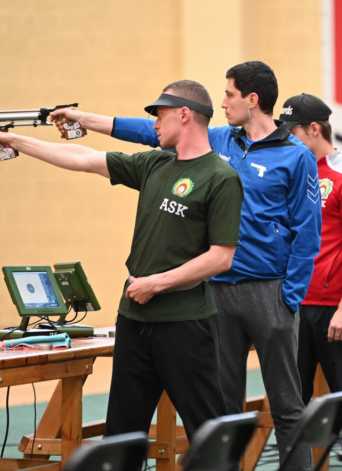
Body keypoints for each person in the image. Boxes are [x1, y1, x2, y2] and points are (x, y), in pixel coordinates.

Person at [51, 61, 321, 471]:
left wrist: (290, 296)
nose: (223, 102)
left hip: (269, 292)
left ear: (252, 99)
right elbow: (150, 131)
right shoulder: (218, 138)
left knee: (286, 403)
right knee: (222, 409)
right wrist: (84, 119)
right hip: (215, 292)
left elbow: (308, 230)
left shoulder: (296, 156)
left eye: (229, 94)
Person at [0, 80, 243, 441]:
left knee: (208, 433)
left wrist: (157, 283)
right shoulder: (154, 163)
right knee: (122, 433)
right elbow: (84, 158)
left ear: (185, 115)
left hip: (185, 322)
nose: (154, 124)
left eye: (160, 115)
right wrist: (16, 142)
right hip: (134, 319)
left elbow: (221, 257)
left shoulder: (221, 177)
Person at [279, 93, 342, 471]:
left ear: (314, 130)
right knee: (290, 405)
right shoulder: (295, 174)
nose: (286, 140)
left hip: (334, 311)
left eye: (292, 132)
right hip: (295, 308)